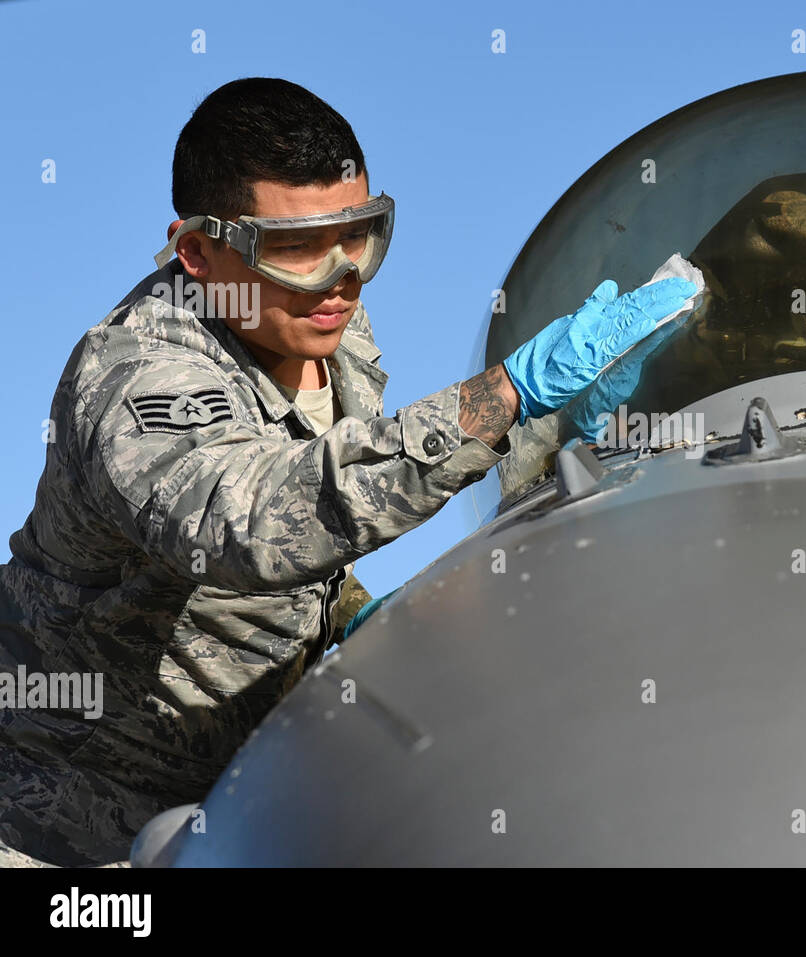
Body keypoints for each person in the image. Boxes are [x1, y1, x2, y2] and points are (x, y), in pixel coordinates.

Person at [0, 77, 697, 866]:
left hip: (227, 802)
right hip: (50, 823)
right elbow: (254, 521)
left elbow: (306, 500)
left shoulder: (319, 323)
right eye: (296, 248)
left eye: (360, 234)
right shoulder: (138, 379)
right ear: (198, 252)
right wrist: (508, 393)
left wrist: (352, 615)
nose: (341, 278)